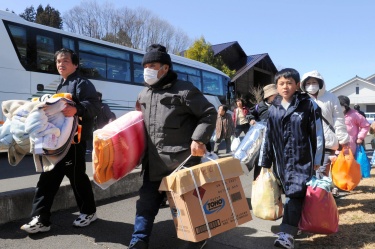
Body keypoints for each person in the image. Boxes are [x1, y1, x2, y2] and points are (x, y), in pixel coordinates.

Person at [129, 44, 216, 249]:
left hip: (181, 160)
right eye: (146, 65)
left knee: (187, 205)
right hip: (153, 162)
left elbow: (209, 113)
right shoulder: (144, 94)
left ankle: (197, 238)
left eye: (153, 65)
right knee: (145, 204)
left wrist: (199, 139)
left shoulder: (185, 90)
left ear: (165, 68)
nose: (147, 69)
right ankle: (138, 241)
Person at [21, 48, 100, 233]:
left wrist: (78, 109)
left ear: (75, 64)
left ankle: (88, 212)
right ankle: (41, 219)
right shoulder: (60, 85)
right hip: (57, 142)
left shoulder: (82, 83)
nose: (60, 64)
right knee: (47, 178)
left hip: (73, 143)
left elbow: (95, 105)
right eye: (58, 62)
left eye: (65, 61)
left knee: (77, 178)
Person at [259, 68, 324, 249]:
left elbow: (317, 134)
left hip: (303, 160)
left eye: (289, 83)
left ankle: (286, 235)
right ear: (277, 86)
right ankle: (297, 224)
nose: (285, 86)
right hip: (281, 161)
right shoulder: (274, 109)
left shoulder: (308, 105)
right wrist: (265, 163)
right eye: (281, 83)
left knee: (295, 194)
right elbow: (268, 137)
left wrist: (318, 159)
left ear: (297, 85)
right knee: (291, 194)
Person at [300, 70, 350, 197]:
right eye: (308, 83)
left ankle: (321, 201)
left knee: (322, 173)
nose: (311, 85)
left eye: (314, 82)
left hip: (327, 142)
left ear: (320, 83)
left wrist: (343, 140)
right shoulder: (301, 98)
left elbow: (339, 119)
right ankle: (310, 200)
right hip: (306, 143)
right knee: (307, 174)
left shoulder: (331, 98)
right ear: (304, 85)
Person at [247, 83, 278, 180]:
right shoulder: (259, 106)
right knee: (260, 163)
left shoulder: (280, 105)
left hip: (277, 138)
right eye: (275, 95)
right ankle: (257, 183)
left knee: (277, 164)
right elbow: (250, 114)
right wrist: (251, 119)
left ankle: (277, 188)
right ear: (269, 96)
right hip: (262, 139)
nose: (277, 97)